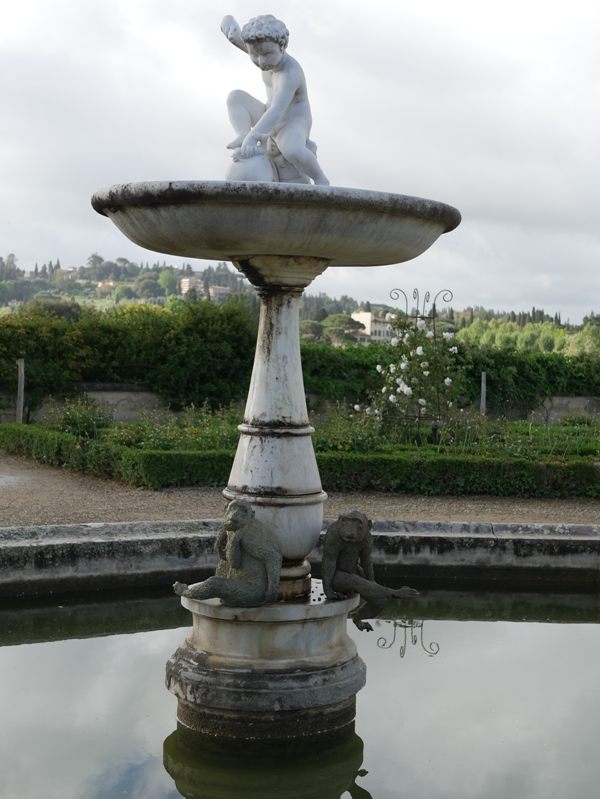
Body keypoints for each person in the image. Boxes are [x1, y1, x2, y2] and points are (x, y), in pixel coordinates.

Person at [221, 14, 329, 185]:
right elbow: (239, 41)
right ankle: (241, 134)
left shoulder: (290, 73)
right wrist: (227, 23)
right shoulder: (263, 56)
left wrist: (253, 136)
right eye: (254, 55)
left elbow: (277, 110)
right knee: (235, 97)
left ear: (282, 47)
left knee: (292, 150)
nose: (261, 61)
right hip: (268, 114)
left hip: (292, 123)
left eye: (268, 53)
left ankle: (320, 177)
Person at [322, 510, 419, 631]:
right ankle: (394, 593)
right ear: (340, 521)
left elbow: (366, 560)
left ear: (368, 526)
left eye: (356, 524)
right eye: (346, 523)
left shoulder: (366, 537)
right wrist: (328, 589)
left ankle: (357, 618)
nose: (350, 531)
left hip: (353, 571)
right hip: (336, 576)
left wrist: (370, 581)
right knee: (354, 580)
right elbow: (329, 561)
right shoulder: (334, 533)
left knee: (380, 602)